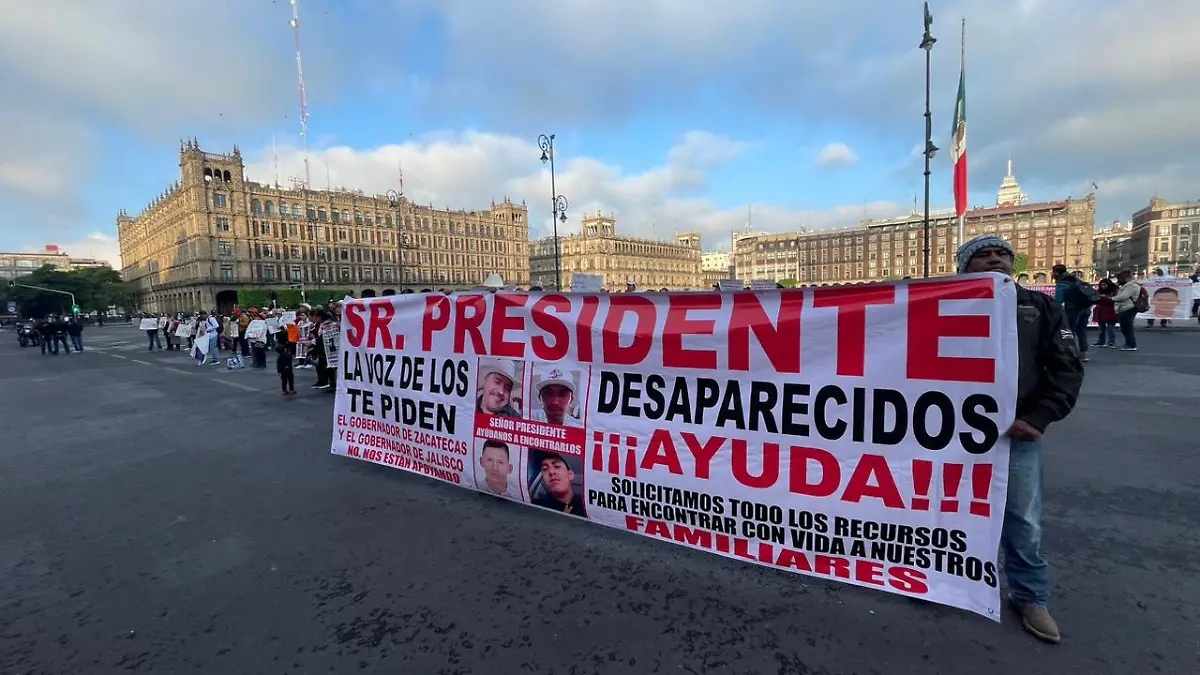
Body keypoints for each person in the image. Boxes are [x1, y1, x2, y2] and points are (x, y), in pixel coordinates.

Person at [957, 234, 1084, 644]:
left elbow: (1066, 368)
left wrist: (1039, 417)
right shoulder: (945, 305)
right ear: (965, 267)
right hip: (947, 433)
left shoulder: (1040, 307)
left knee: (1022, 519)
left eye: (1001, 254)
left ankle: (1030, 596)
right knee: (941, 507)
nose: (995, 259)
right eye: (983, 255)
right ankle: (939, 578)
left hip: (1015, 432)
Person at [1052, 264, 1095, 363]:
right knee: (1082, 331)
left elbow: (1059, 300)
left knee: (1070, 332)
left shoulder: (1062, 283)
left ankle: (1072, 353)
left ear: (1057, 273)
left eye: (1053, 272)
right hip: (1085, 309)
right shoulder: (1076, 280)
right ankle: (1084, 354)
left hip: (1073, 310)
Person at [531, 452, 587, 517]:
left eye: (557, 466)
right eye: (545, 469)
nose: (551, 472)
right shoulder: (535, 507)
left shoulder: (586, 507)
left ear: (570, 474)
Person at [1112, 270, 1141, 351]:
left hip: (1128, 308)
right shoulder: (1129, 285)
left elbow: (1123, 296)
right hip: (1126, 308)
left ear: (1125, 278)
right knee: (1125, 327)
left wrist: (1111, 299)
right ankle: (1129, 343)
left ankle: (1131, 344)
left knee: (1127, 327)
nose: (1119, 281)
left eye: (1120, 279)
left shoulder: (1131, 286)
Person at [1090, 278, 1118, 348]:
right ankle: (1101, 341)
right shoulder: (1099, 291)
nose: (1103, 286)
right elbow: (1094, 299)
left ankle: (1111, 342)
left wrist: (1105, 297)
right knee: (1101, 328)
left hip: (1110, 310)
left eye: (1105, 285)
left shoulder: (1114, 291)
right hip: (1100, 310)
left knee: (1110, 328)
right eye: (1102, 285)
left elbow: (1115, 299)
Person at [275, 327, 297, 396]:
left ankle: (284, 390)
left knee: (284, 379)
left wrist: (279, 370)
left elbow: (278, 363)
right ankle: (291, 389)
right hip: (288, 366)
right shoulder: (287, 351)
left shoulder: (280, 353)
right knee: (290, 378)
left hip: (282, 367)